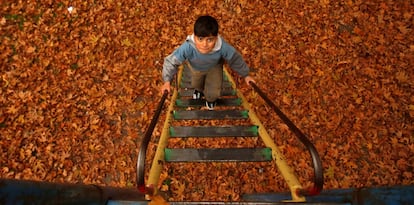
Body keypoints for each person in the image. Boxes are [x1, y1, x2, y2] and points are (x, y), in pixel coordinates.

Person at [161, 15, 255, 110]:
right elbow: (171, 61)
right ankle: (198, 91)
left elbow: (235, 59)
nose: (204, 44)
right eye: (200, 39)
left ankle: (211, 100)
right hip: (196, 68)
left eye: (210, 40)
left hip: (214, 68)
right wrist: (167, 80)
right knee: (196, 84)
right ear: (195, 36)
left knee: (214, 91)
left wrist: (245, 75)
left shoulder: (222, 47)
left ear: (216, 38)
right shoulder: (188, 47)